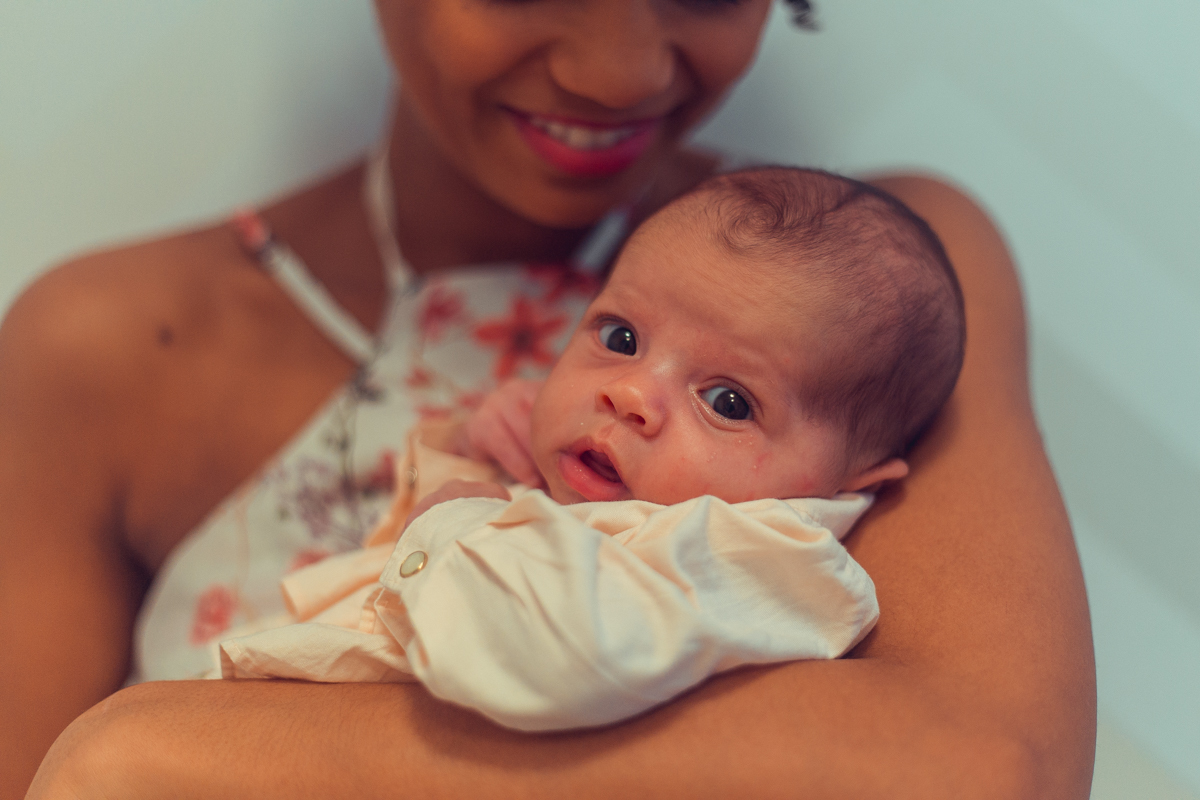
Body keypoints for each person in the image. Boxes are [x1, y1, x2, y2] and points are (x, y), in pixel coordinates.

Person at [1, 1, 1095, 797]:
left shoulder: (873, 306)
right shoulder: (104, 346)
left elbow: (980, 768)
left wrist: (152, 753)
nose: (618, 73)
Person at [216, 167, 963, 732]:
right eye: (621, 337)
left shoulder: (761, 559)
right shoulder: (644, 509)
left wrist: (455, 519)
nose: (629, 394)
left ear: (854, 481)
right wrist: (470, 451)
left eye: (728, 402)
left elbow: (552, 654)